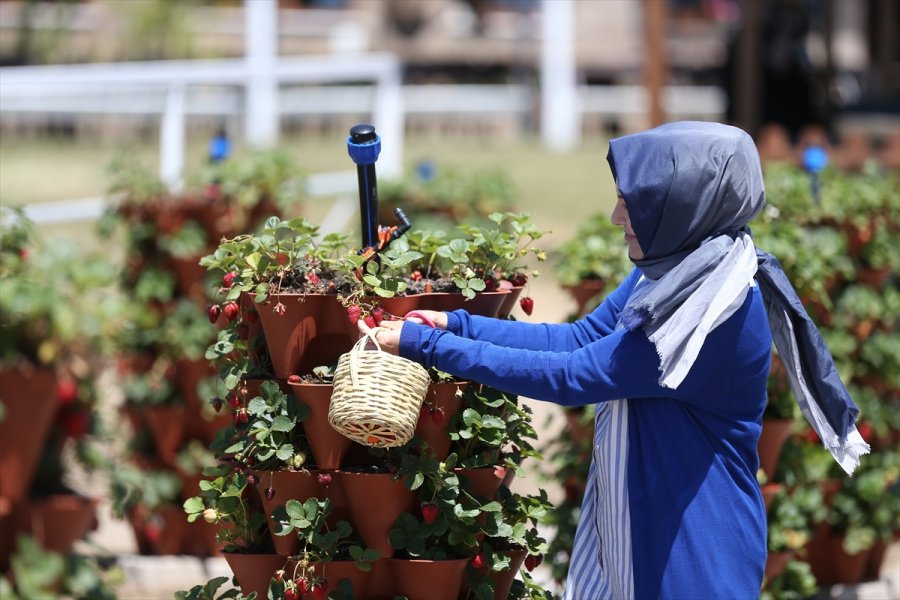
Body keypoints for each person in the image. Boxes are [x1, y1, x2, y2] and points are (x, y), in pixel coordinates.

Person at [365, 121, 869, 599]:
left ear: (679, 206)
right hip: (657, 534)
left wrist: (426, 347)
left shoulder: (713, 309)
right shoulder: (678, 271)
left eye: (632, 204)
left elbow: (575, 376)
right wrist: (457, 325)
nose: (616, 218)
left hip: (695, 557)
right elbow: (579, 339)